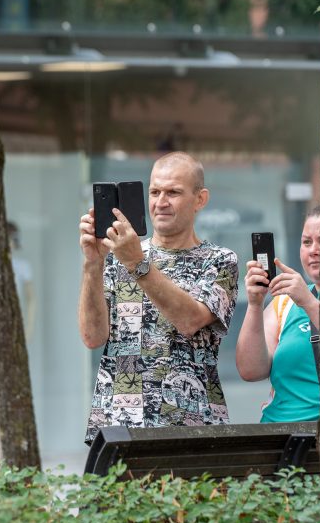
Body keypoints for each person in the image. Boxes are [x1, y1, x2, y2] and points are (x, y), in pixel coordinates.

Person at [78, 152, 239, 444]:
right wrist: (92, 264)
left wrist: (138, 265)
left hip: (191, 425)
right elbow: (92, 337)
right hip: (118, 424)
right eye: (154, 191)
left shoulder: (219, 261)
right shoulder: (119, 257)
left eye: (173, 192)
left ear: (200, 199)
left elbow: (190, 321)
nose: (160, 202)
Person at [236, 209, 320, 422]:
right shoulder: (285, 302)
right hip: (277, 433)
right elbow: (251, 370)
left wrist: (309, 303)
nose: (314, 250)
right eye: (306, 242)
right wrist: (255, 303)